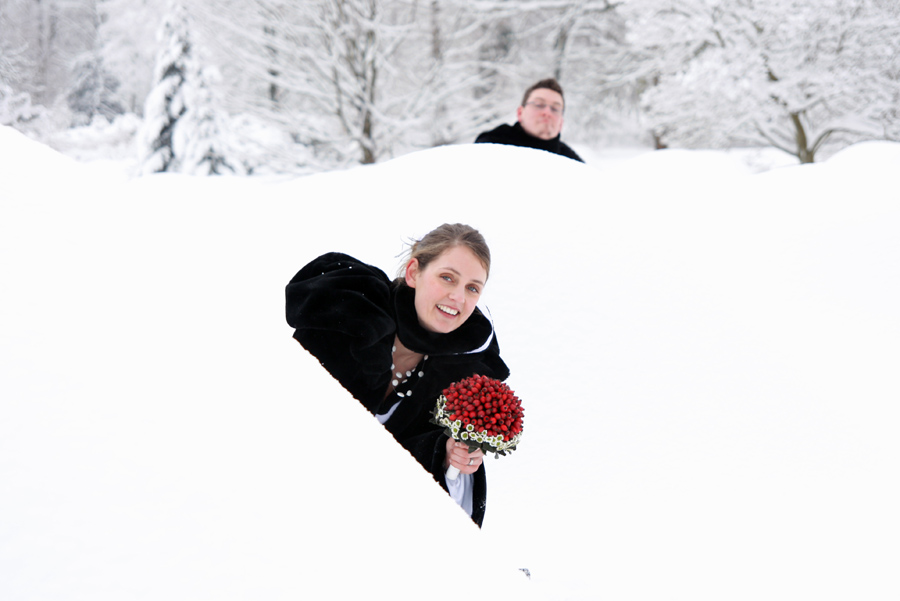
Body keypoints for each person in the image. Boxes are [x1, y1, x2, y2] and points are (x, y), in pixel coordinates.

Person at [284, 224, 510, 527]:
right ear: (414, 272)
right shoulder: (352, 314)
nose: (458, 297)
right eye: (447, 278)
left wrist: (446, 454)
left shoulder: (460, 372)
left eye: (472, 288)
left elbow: (407, 465)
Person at [475, 77, 584, 162]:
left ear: (561, 122)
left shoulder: (572, 163)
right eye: (539, 104)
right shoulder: (491, 144)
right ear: (520, 113)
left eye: (555, 108)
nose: (547, 112)